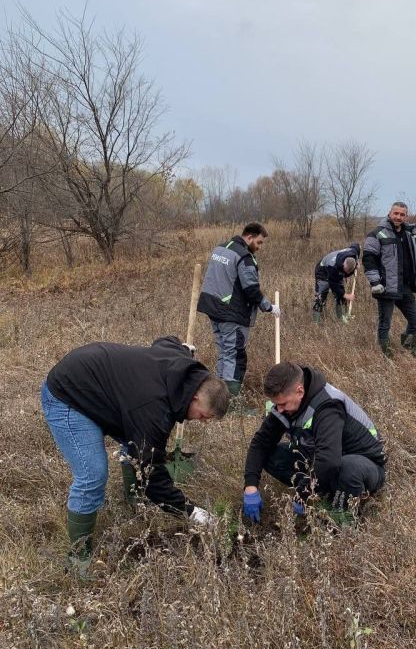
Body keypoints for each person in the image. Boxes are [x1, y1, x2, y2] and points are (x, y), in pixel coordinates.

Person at [41, 336, 229, 574]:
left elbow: (166, 341)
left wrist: (184, 348)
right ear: (194, 397)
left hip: (101, 386)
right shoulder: (153, 411)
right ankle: (79, 559)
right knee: (93, 475)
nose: (200, 421)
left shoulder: (181, 364)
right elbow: (152, 475)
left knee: (137, 443)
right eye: (203, 415)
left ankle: (133, 498)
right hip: (68, 396)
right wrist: (190, 511)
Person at [242, 362, 386, 523]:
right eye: (276, 404)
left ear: (300, 391)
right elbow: (261, 443)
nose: (279, 409)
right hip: (322, 461)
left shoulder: (328, 406)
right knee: (271, 455)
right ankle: (323, 492)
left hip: (364, 466)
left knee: (348, 468)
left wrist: (303, 493)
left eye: (283, 404)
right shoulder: (285, 405)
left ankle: (342, 519)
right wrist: (250, 486)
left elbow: (328, 461)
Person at [197, 222, 280, 398]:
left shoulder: (220, 249)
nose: (259, 247)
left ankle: (216, 398)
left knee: (224, 352)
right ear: (249, 237)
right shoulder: (244, 257)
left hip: (213, 309)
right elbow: (251, 290)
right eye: (258, 242)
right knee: (235, 356)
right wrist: (269, 307)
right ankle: (230, 402)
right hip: (232, 314)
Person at [363, 201, 416, 357]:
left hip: (405, 286)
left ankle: (409, 348)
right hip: (385, 286)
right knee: (385, 324)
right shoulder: (376, 234)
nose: (399, 217)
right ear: (389, 213)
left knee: (415, 320)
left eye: (402, 214)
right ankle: (386, 355)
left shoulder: (409, 234)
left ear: (406, 216)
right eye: (396, 213)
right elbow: (369, 259)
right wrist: (375, 282)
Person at [312, 243, 360, 322]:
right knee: (321, 296)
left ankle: (342, 318)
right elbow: (333, 285)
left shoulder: (353, 253)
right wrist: (345, 295)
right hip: (323, 271)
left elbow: (356, 245)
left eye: (348, 272)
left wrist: (358, 262)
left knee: (341, 296)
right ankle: (316, 322)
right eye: (345, 271)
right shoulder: (333, 267)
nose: (347, 274)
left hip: (337, 272)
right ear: (343, 264)